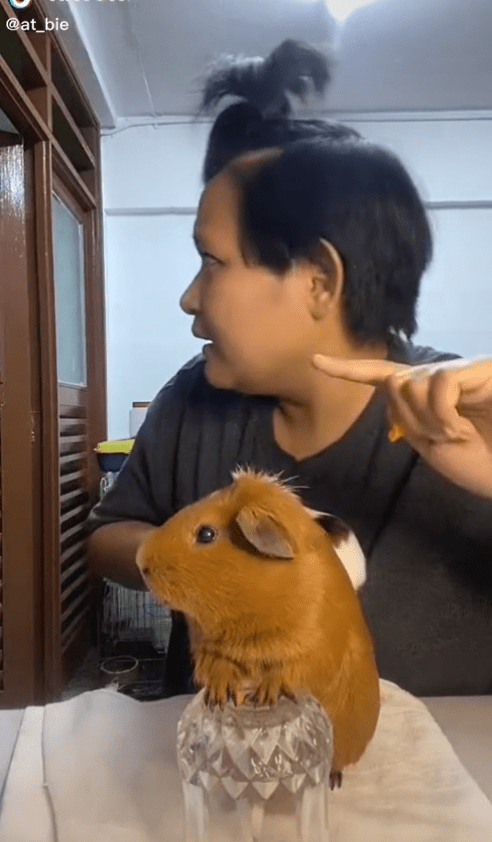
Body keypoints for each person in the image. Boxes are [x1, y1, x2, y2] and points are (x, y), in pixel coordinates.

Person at [87, 41, 492, 699]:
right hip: (222, 750)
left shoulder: (465, 417)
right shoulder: (190, 399)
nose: (188, 297)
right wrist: (190, 559)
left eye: (212, 261)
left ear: (318, 281)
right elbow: (106, 534)